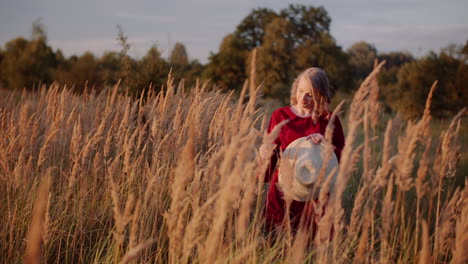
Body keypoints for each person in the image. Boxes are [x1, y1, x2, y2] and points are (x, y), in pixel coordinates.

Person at [259, 67, 345, 234]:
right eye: (300, 91)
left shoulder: (329, 119)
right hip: (283, 191)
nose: (303, 98)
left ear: (321, 94)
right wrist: (265, 154)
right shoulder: (280, 116)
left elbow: (344, 157)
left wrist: (327, 146)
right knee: (278, 242)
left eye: (310, 94)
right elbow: (271, 161)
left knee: (310, 246)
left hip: (317, 195)